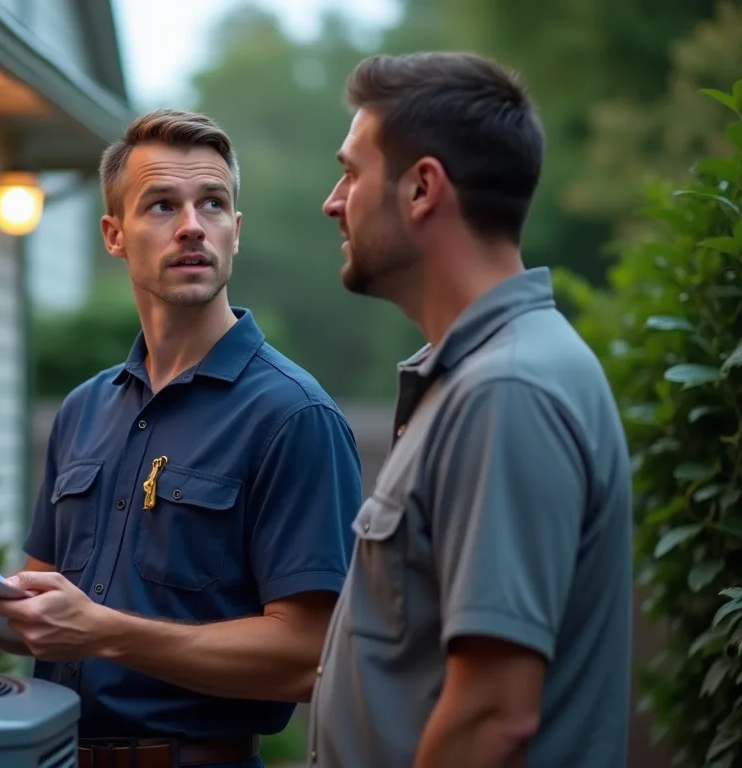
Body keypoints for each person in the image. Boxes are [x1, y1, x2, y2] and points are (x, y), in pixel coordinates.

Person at [0, 108, 364, 768]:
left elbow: (310, 657)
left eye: (213, 203)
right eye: (161, 206)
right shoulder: (84, 408)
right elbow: (48, 611)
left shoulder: (293, 416)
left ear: (237, 231)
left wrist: (107, 634)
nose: (193, 226)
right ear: (114, 234)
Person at [307, 52, 634, 768]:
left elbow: (492, 714)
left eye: (352, 171)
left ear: (423, 188)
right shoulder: (476, 380)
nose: (334, 201)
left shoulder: (506, 391)